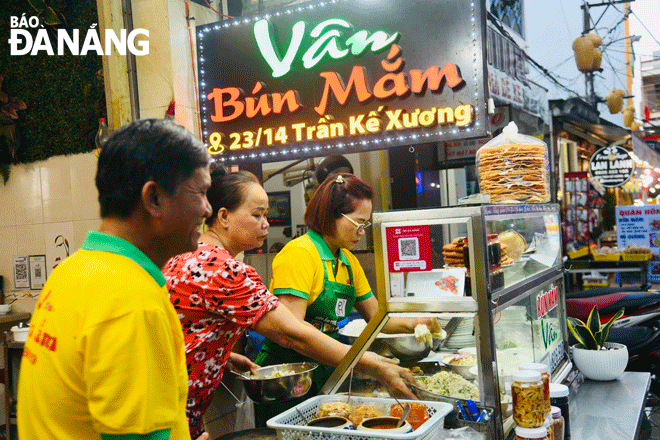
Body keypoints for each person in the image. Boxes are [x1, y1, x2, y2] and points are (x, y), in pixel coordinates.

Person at [163, 166, 417, 438]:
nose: (265, 223)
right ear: (223, 216)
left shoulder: (188, 255)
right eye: (257, 214)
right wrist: (372, 364)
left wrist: (220, 355)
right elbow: (291, 333)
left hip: (167, 402)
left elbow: (183, 327)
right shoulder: (223, 268)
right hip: (168, 413)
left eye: (266, 215)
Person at [17, 119, 212, 440]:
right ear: (154, 199)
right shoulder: (133, 300)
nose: (207, 208)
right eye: (201, 191)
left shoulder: (72, 270)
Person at [255, 173, 440, 424]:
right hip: (289, 378)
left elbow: (377, 317)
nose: (362, 232)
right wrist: (366, 362)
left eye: (366, 225)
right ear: (331, 214)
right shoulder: (299, 254)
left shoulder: (348, 260)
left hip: (329, 366)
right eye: (358, 223)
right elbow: (293, 333)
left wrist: (419, 322)